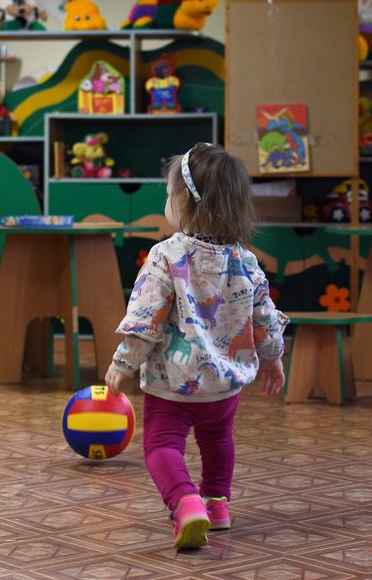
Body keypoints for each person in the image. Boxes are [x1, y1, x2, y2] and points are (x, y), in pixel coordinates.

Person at [105, 142, 288, 550]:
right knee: (218, 440)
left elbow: (145, 319)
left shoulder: (165, 256)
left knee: (160, 445)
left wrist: (123, 364)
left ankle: (185, 502)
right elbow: (266, 320)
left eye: (170, 196)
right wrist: (274, 360)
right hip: (224, 387)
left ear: (185, 203)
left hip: (173, 384)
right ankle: (217, 506)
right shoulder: (247, 261)